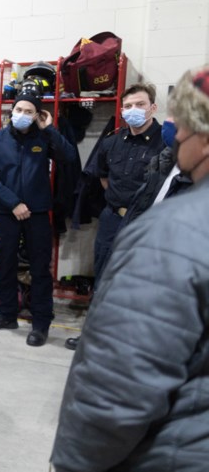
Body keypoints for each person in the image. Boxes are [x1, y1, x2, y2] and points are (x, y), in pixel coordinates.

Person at [50, 65, 209, 472]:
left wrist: (77, 469)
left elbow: (124, 377)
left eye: (185, 123)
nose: (175, 133)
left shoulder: (176, 235)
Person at [66, 83, 165, 350]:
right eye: (129, 106)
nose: (134, 110)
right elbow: (103, 177)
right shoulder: (112, 142)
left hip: (148, 224)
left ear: (153, 107)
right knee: (104, 277)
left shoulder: (168, 143)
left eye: (141, 105)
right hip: (112, 220)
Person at [0, 92, 77, 346]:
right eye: (18, 109)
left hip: (37, 213)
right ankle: (6, 314)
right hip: (5, 213)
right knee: (6, 266)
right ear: (11, 111)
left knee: (40, 269)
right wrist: (14, 203)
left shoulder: (43, 137)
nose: (22, 115)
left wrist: (50, 128)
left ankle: (41, 323)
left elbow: (69, 157)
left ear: (37, 115)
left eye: (29, 111)